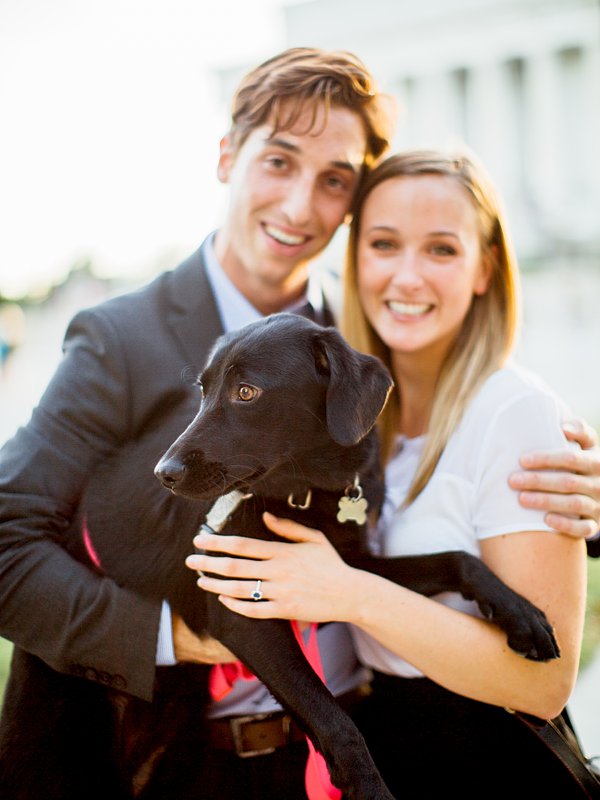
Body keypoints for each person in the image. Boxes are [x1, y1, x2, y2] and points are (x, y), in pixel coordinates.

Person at [0, 46, 597, 797]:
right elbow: (6, 541)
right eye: (279, 162)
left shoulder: (355, 334)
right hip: (173, 759)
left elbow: (451, 451)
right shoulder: (120, 337)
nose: (298, 206)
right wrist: (184, 635)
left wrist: (577, 507)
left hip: (354, 748)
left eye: (334, 180)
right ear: (227, 156)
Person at [187, 149, 597, 798]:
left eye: (440, 250)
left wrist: (344, 591)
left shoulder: (515, 414)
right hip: (394, 743)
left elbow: (545, 684)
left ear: (485, 268)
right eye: (383, 244)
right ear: (354, 263)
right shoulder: (346, 410)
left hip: (491, 760)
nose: (407, 276)